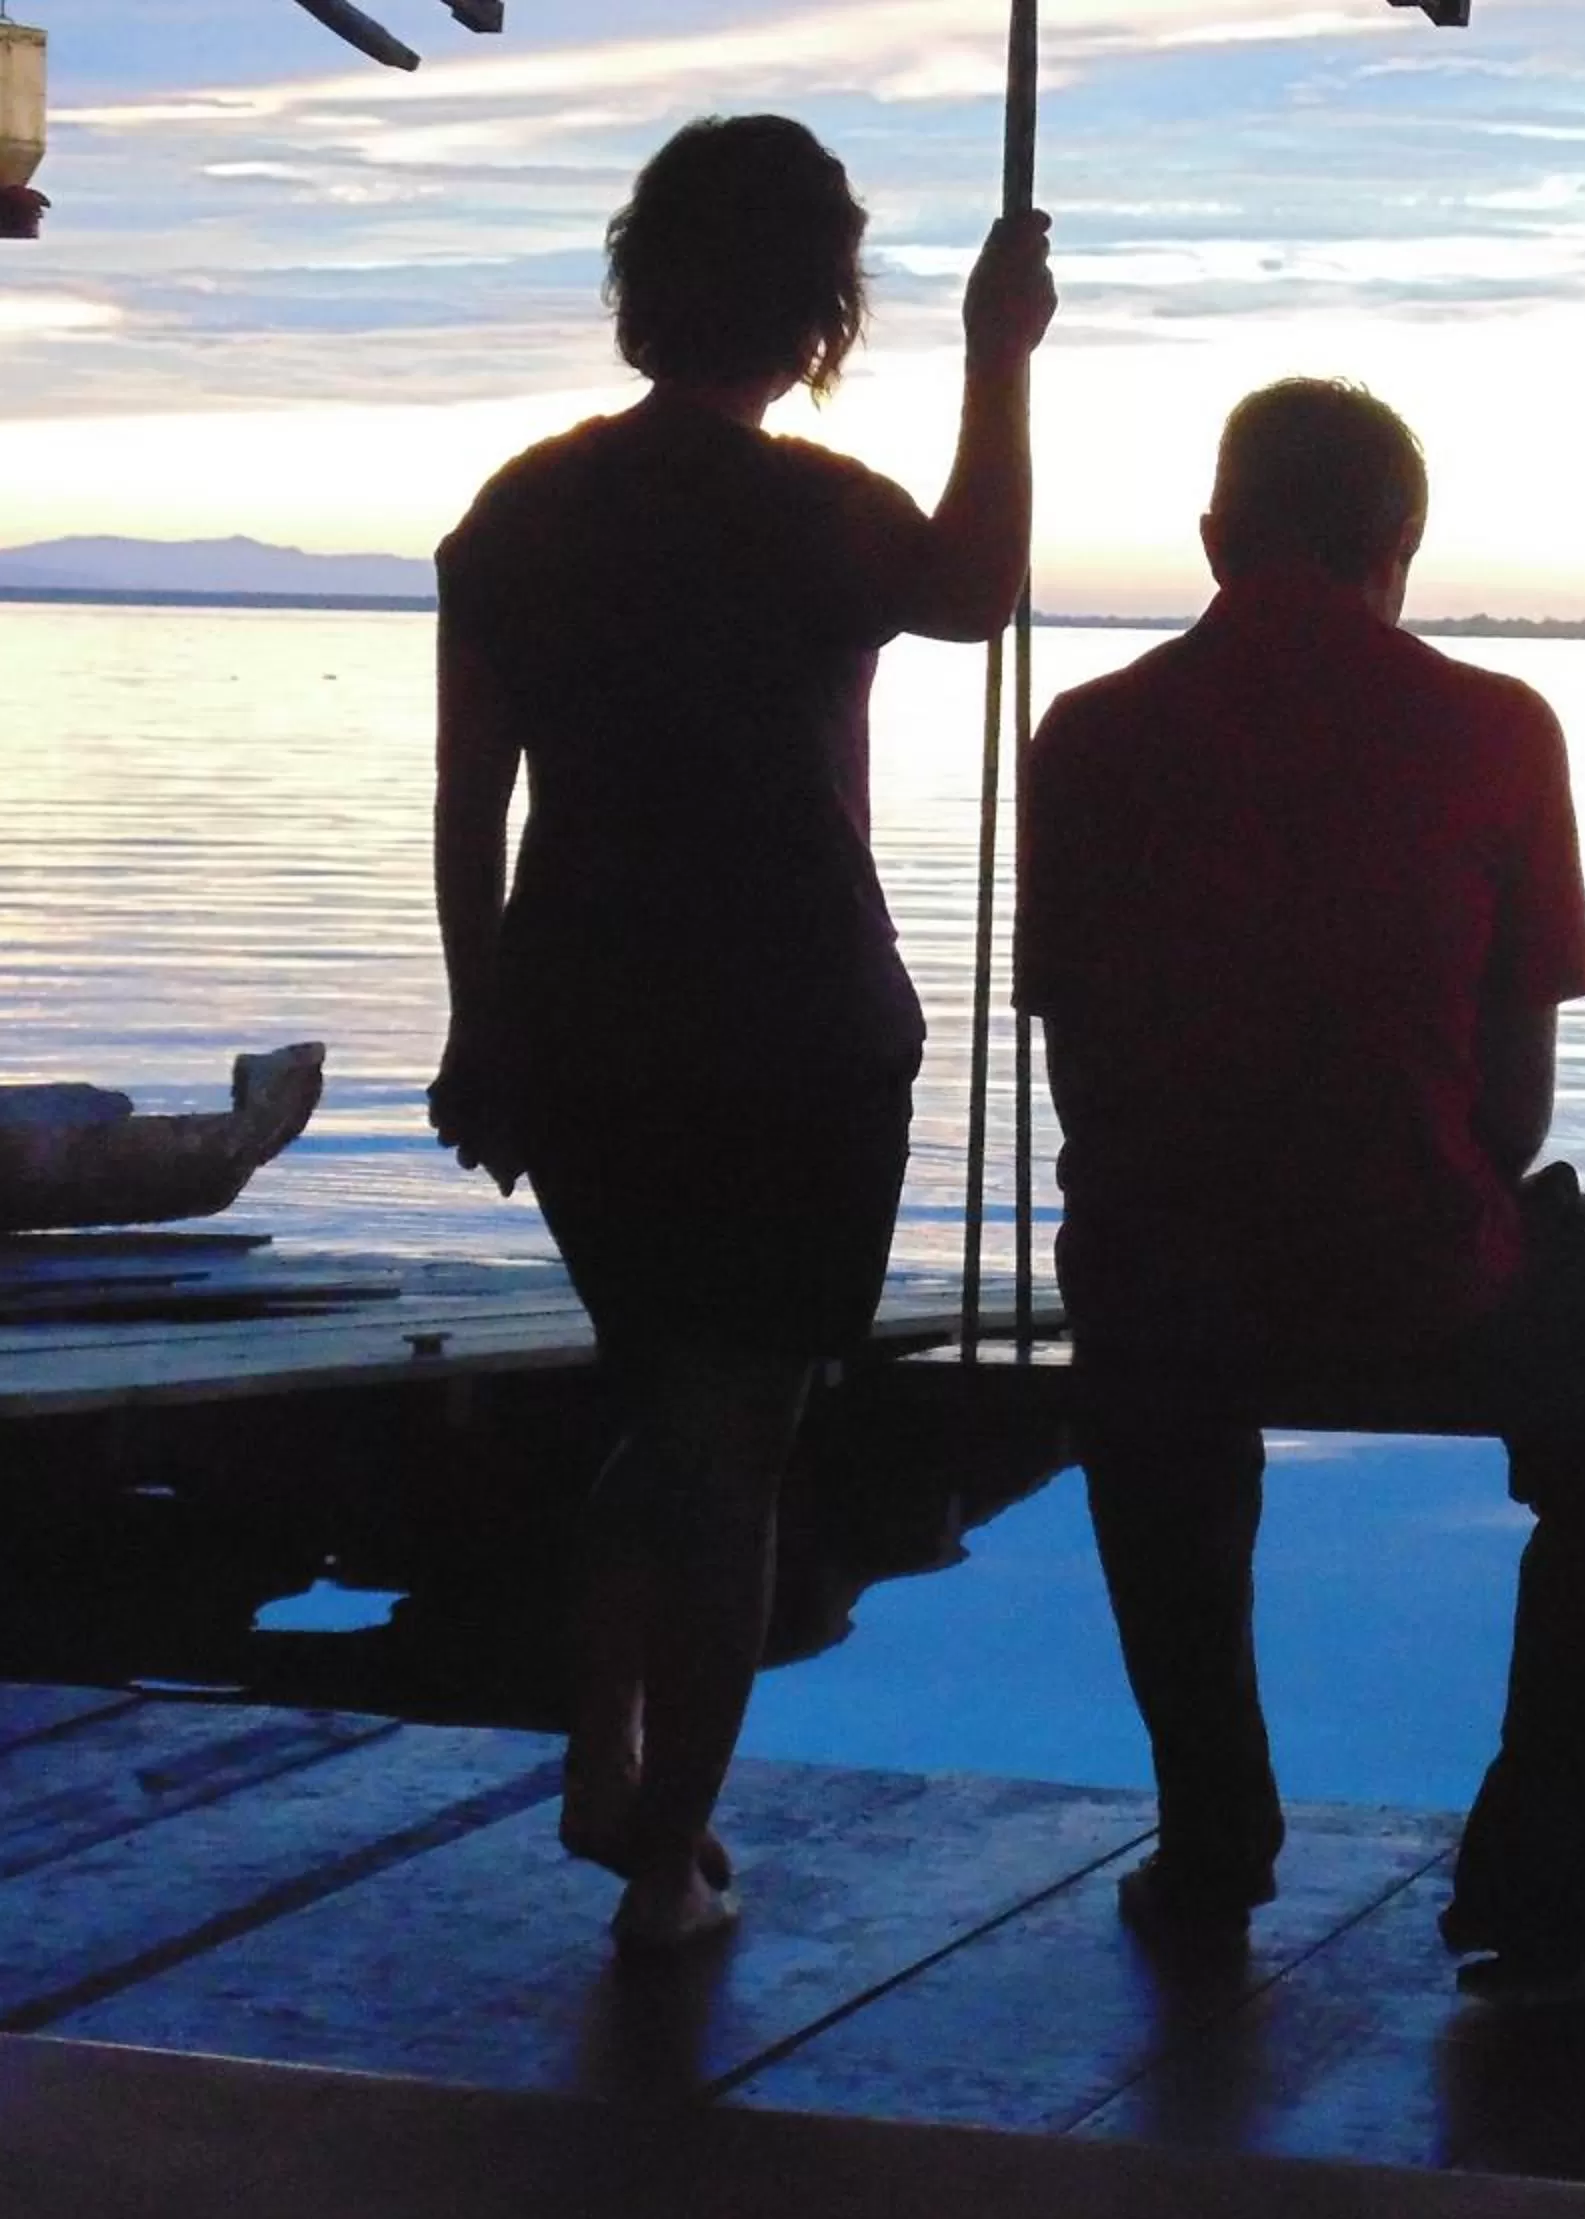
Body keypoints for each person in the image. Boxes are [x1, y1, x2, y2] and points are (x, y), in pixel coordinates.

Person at [428, 115, 1054, 1951]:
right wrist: (1000, 362)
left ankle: (612, 1758)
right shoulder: (815, 513)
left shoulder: (519, 517)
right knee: (740, 1438)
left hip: (590, 1030)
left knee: (673, 1400)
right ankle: (665, 1852)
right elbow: (977, 591)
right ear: (814, 307)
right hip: (798, 1032)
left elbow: (473, 811)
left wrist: (489, 1023)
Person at [1017, 378, 1585, 1982]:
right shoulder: (1497, 727)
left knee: (1148, 1350)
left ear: (1213, 537)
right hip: (1416, 1266)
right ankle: (1543, 1879)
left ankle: (1214, 1838)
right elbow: (1517, 1110)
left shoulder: (1087, 732)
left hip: (1161, 1278)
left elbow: (1087, 1084)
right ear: (1402, 546)